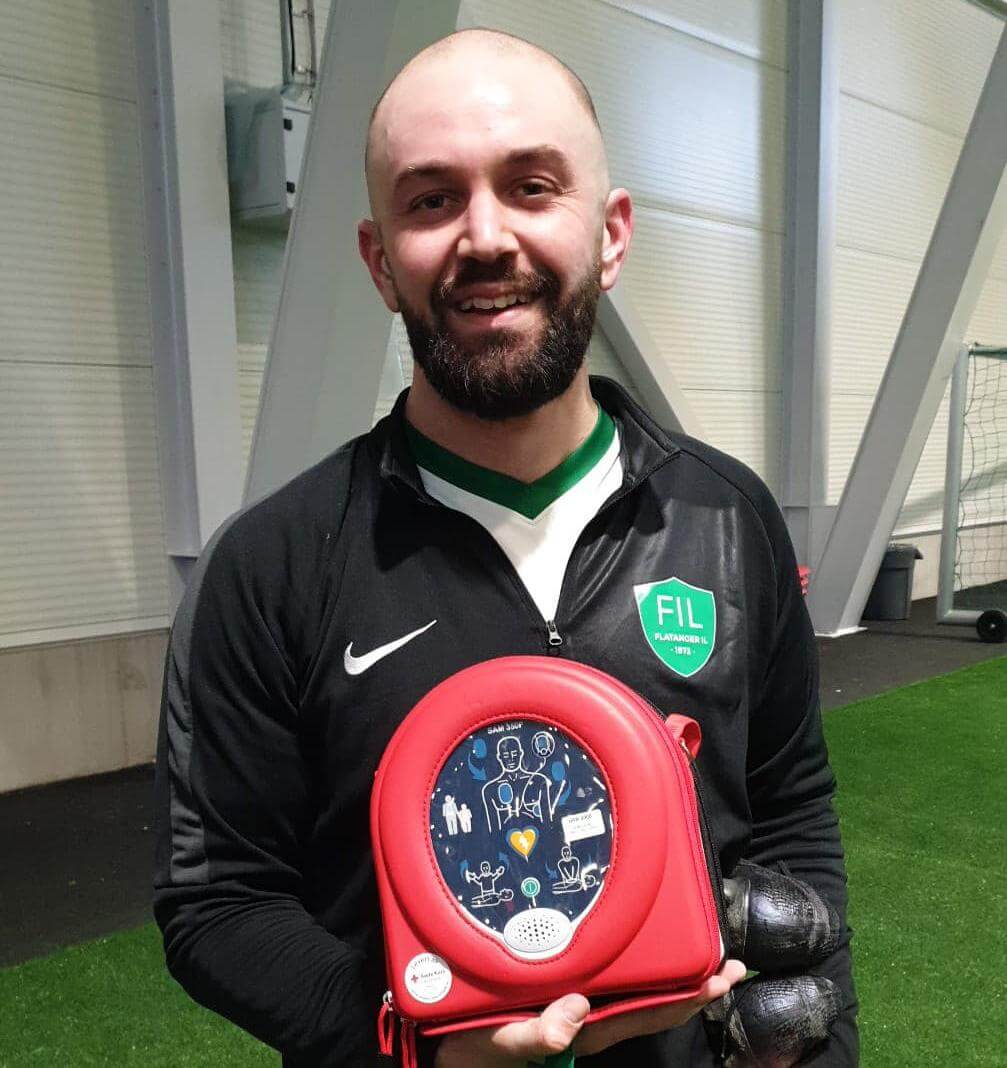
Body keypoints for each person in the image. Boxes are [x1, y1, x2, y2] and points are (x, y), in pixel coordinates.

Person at [154, 27, 857, 1067]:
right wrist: (420, 1049)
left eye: (531, 187)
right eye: (430, 199)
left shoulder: (724, 515)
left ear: (609, 235)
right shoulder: (270, 565)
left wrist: (815, 1047)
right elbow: (217, 901)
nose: (484, 236)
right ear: (379, 260)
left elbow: (790, 807)